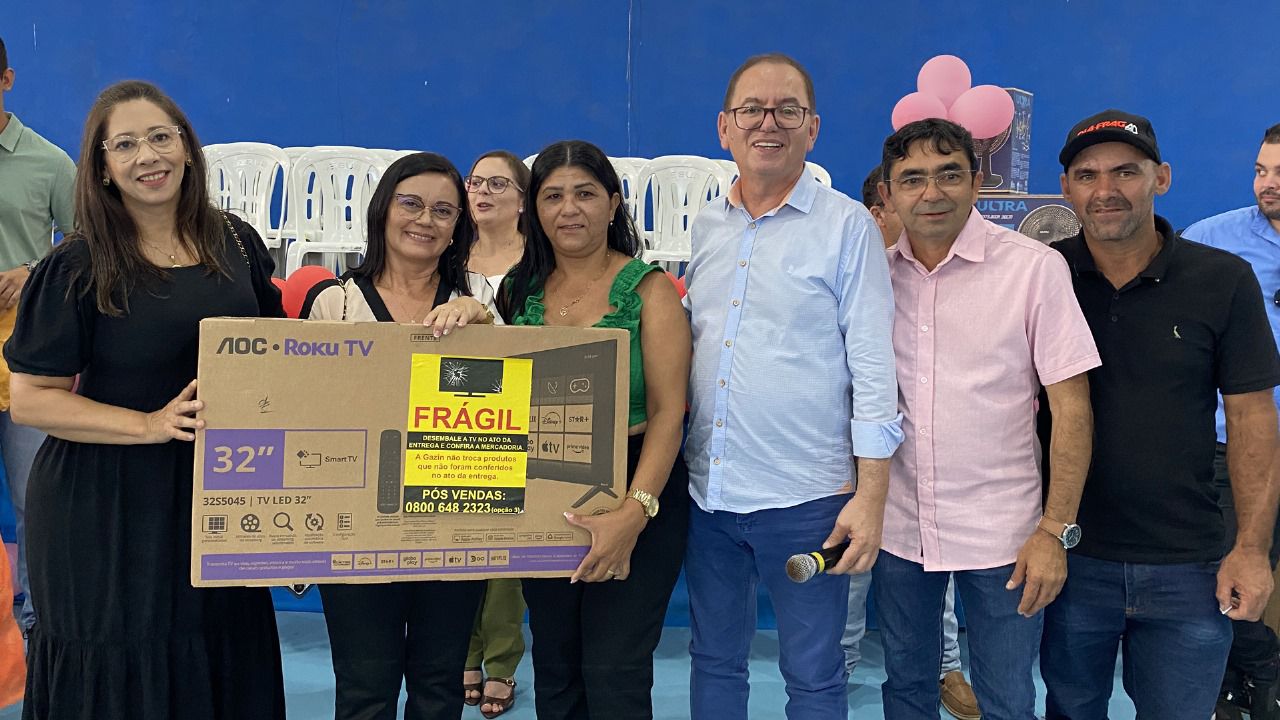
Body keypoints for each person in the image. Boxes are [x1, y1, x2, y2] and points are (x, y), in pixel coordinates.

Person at [3, 79, 286, 719]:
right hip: (105, 506)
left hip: (217, 493)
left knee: (219, 651)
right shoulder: (76, 264)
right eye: (125, 144)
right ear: (102, 167)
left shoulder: (236, 241)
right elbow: (32, 400)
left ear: (186, 147)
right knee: (122, 670)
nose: (148, 156)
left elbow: (279, 347)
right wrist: (150, 424)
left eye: (160, 137)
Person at [1041, 110, 1280, 719]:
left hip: (1189, 566)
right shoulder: (1042, 276)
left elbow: (1252, 422)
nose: (1106, 190)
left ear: (1162, 178)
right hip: (1072, 558)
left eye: (1126, 171)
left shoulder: (1223, 280)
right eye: (1087, 175)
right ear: (1066, 188)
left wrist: (1251, 549)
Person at [683, 53, 901, 719]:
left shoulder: (847, 226)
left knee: (814, 674)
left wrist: (871, 494)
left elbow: (873, 366)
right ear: (724, 127)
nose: (768, 123)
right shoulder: (707, 225)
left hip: (808, 497)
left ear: (813, 128)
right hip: (710, 493)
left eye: (787, 110)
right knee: (713, 659)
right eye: (752, 109)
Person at [875, 118, 1098, 720]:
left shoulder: (1032, 269)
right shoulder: (872, 275)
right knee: (906, 689)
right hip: (899, 526)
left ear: (977, 183)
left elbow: (1071, 408)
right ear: (889, 194)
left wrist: (1054, 531)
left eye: (949, 175)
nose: (932, 192)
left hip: (1006, 534)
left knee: (1006, 699)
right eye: (912, 179)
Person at [499, 139, 691, 720]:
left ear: (612, 204)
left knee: (613, 671)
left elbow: (669, 413)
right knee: (556, 664)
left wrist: (634, 513)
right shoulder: (519, 289)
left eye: (584, 194)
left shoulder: (651, 290)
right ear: (534, 209)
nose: (569, 209)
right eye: (552, 196)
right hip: (544, 486)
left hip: (637, 480)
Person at [304, 151, 494, 720]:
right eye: (411, 203)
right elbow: (308, 415)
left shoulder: (479, 306)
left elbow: (506, 406)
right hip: (356, 529)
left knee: (439, 688)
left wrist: (484, 325)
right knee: (365, 689)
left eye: (444, 210)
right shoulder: (336, 304)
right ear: (383, 210)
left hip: (453, 522)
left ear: (458, 225)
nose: (425, 220)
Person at [847, 165, 979, 720]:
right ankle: (838, 668)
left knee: (932, 569)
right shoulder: (853, 273)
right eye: (901, 198)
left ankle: (947, 665)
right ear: (877, 211)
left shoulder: (950, 278)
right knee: (850, 572)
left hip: (926, 460)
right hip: (853, 453)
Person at [1181, 122, 1280, 720]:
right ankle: (1247, 677)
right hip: (1232, 449)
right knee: (1225, 585)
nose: (1269, 184)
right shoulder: (1212, 241)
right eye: (1262, 171)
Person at [0, 33, 75, 633]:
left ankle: (39, 626)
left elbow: (89, 242)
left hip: (22, 350)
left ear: (6, 81)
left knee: (35, 497)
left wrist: (33, 271)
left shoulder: (49, 162)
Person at [459, 150, 530, 718]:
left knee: (504, 548)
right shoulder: (447, 254)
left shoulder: (540, 262)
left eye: (498, 184)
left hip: (517, 409)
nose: (482, 192)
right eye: (475, 182)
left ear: (523, 200)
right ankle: (464, 655)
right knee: (455, 538)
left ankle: (502, 662)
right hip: (451, 410)